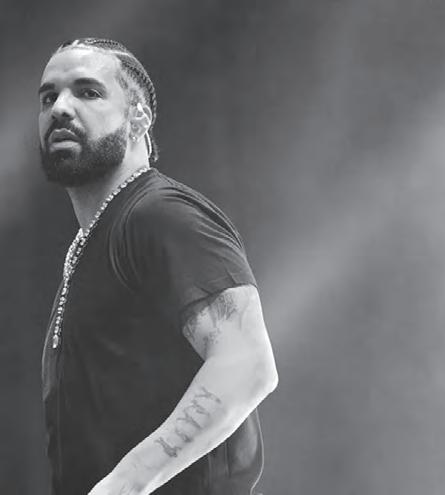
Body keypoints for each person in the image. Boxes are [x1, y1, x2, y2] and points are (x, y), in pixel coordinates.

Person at [38, 38, 278, 495]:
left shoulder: (161, 214)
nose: (60, 108)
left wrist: (126, 483)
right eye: (49, 97)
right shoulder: (94, 240)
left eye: (88, 92)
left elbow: (247, 363)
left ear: (139, 118)